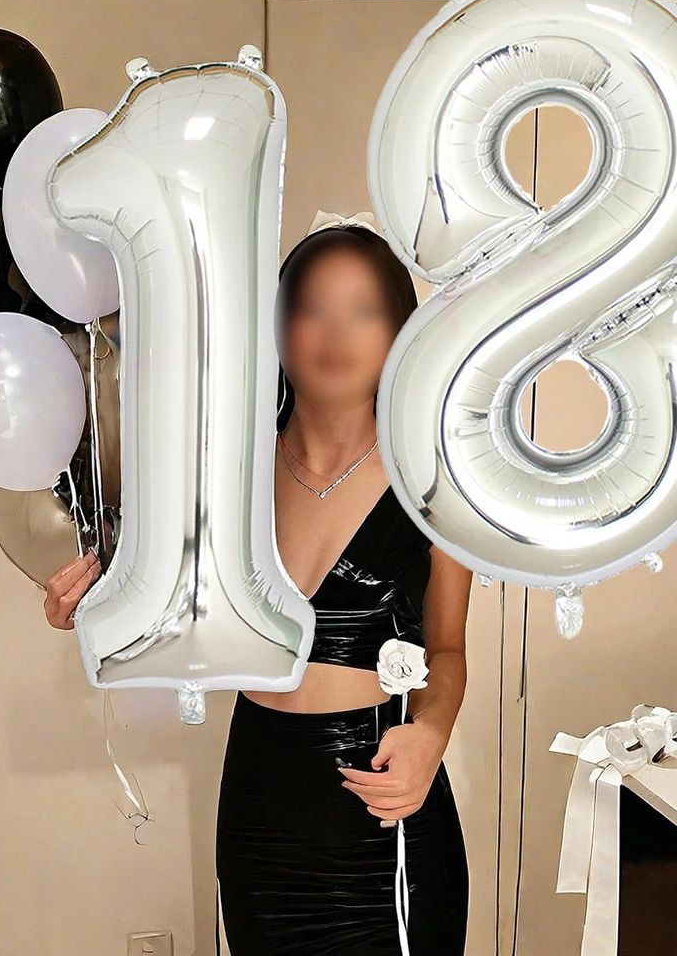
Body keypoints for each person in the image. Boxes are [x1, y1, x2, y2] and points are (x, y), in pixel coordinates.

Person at [43, 211, 472, 956]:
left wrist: (431, 733)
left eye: (363, 311)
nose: (335, 334)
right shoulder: (223, 474)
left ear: (399, 332)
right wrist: (83, 604)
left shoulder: (435, 481)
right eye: (312, 309)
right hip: (261, 809)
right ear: (278, 327)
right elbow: (155, 605)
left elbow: (449, 650)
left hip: (382, 811)